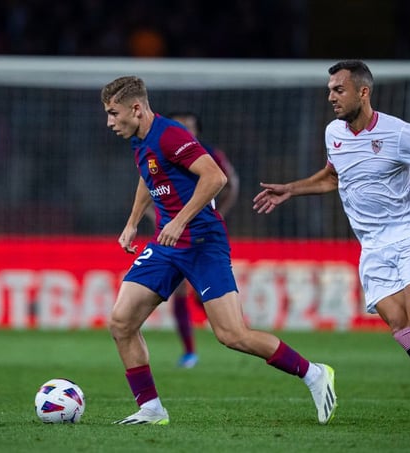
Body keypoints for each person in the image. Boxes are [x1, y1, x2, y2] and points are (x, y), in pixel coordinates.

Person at [253, 60, 410, 427]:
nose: (331, 97)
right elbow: (332, 178)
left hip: (409, 236)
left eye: (339, 90)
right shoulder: (333, 133)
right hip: (372, 248)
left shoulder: (401, 134)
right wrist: (291, 190)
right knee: (402, 329)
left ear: (363, 92)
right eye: (329, 90)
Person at [101, 76, 336, 426]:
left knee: (232, 335)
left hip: (202, 242)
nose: (109, 122)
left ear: (136, 108)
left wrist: (179, 220)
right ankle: (151, 408)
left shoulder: (170, 134)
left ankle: (314, 373)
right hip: (167, 245)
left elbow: (216, 178)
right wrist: (132, 222)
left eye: (113, 113)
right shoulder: (140, 138)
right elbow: (148, 176)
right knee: (121, 322)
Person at [163, 112, 239, 368]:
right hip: (175, 232)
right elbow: (149, 190)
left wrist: (220, 213)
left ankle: (232, 327)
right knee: (179, 288)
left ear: (197, 131)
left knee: (202, 291)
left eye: (189, 127)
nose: (184, 130)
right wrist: (159, 219)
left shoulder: (209, 154)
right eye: (179, 126)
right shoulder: (163, 154)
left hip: (203, 231)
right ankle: (189, 352)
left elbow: (231, 183)